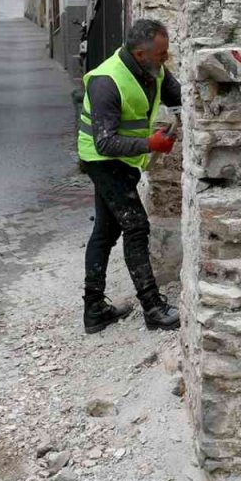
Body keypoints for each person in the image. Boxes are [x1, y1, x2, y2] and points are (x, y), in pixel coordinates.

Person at [78, 19, 183, 334]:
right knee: (136, 227)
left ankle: (94, 310)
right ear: (140, 54)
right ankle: (153, 308)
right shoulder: (106, 81)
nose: (166, 60)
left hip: (125, 160)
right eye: (161, 55)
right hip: (102, 160)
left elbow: (181, 98)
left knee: (106, 232)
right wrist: (151, 143)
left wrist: (180, 118)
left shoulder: (154, 70)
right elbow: (105, 141)